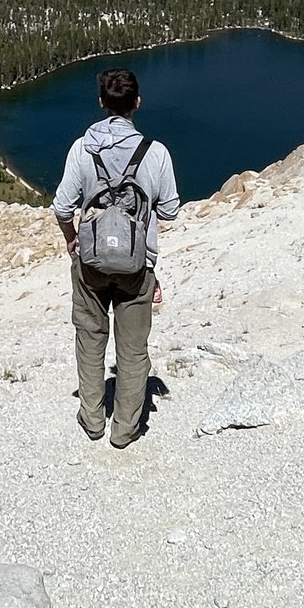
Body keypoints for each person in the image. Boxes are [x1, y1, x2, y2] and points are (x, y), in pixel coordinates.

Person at [52, 67, 181, 447]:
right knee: (133, 346)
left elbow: (62, 208)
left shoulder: (81, 148)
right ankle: (125, 428)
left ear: (101, 103)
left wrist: (72, 240)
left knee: (90, 338)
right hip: (137, 265)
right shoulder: (155, 153)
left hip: (89, 262)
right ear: (136, 103)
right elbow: (170, 210)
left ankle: (92, 419)